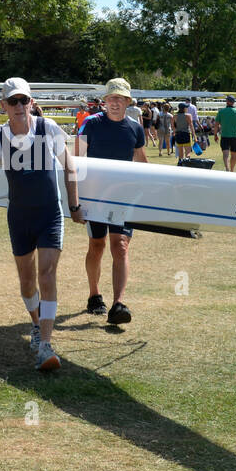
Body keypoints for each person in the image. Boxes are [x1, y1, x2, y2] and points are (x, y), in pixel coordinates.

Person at [0, 77, 85, 372]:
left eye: (24, 100)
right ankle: (35, 324)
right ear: (3, 105)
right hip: (18, 217)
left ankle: (45, 346)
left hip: (49, 215)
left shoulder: (49, 129)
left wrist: (74, 205)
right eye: (13, 101)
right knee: (27, 280)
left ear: (32, 103)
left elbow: (69, 166)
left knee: (47, 273)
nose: (19, 106)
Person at [75, 77, 147, 325]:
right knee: (97, 245)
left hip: (124, 199)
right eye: (111, 98)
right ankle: (94, 294)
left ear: (128, 101)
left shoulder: (135, 128)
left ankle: (118, 303)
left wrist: (147, 193)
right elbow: (77, 159)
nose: (115, 103)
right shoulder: (90, 124)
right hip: (95, 196)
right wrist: (77, 199)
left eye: (120, 99)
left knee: (121, 246)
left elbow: (141, 162)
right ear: (105, 101)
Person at [216, 95, 236, 172]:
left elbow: (216, 125)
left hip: (224, 136)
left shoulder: (221, 112)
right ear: (233, 102)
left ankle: (227, 169)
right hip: (235, 137)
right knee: (233, 154)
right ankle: (232, 170)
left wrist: (215, 135)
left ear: (227, 102)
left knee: (225, 154)